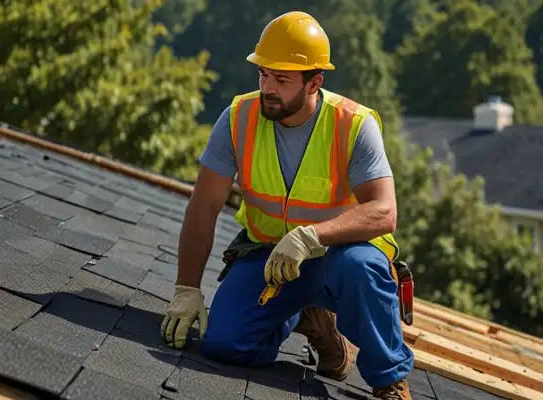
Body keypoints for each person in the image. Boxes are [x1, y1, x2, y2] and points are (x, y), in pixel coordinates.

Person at [160, 10, 414, 400]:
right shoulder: (238, 119)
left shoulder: (354, 125)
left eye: (281, 79)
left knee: (364, 267)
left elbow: (384, 212)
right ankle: (305, 317)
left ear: (315, 81)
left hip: (338, 261)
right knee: (223, 345)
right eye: (263, 74)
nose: (268, 87)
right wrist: (186, 288)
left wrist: (312, 236)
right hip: (269, 260)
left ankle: (390, 381)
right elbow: (203, 207)